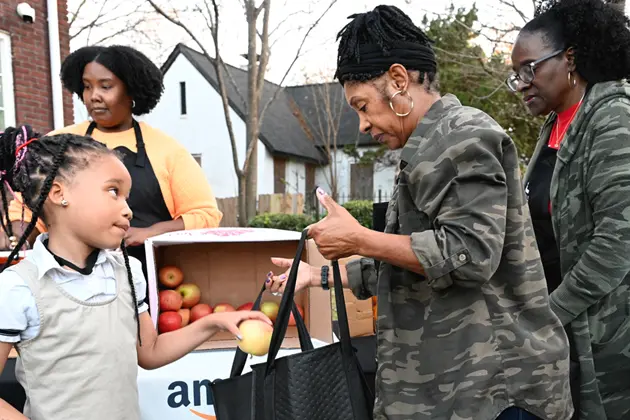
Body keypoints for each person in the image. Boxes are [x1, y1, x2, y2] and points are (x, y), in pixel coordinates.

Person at [267, 5, 573, 420]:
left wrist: (359, 238)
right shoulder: (426, 147)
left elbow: (469, 254)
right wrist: (317, 275)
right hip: (451, 390)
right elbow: (408, 260)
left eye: (362, 105)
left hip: (494, 391)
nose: (361, 125)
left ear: (397, 81)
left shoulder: (465, 136)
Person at [0, 126, 270, 420]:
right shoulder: (18, 288)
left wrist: (215, 322)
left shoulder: (128, 271)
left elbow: (150, 352)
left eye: (126, 197)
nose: (128, 210)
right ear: (58, 193)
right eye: (113, 192)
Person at [509, 0, 630, 418]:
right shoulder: (555, 124)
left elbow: (618, 240)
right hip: (564, 336)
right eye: (515, 75)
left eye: (529, 69)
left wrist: (550, 314)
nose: (522, 83)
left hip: (609, 338)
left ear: (570, 59)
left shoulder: (612, 116)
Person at [3, 45, 222, 275]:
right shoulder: (58, 143)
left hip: (150, 278)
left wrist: (150, 232)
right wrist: (16, 234)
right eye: (87, 87)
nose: (94, 96)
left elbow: (205, 216)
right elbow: (26, 211)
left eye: (105, 86)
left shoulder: (167, 150)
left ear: (132, 91)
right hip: (66, 278)